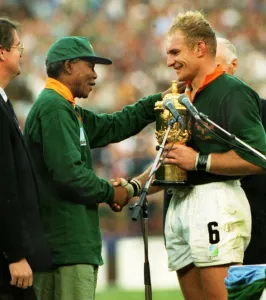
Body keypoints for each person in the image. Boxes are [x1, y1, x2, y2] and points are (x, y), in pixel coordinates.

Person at [114, 11, 266, 299]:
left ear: (200, 48)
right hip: (180, 201)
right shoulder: (178, 96)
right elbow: (173, 158)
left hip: (217, 201)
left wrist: (198, 160)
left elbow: (258, 158)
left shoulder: (233, 92)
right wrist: (135, 186)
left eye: (175, 52)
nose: (169, 61)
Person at [23, 36, 179, 300]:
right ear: (70, 66)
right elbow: (69, 174)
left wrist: (158, 101)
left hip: (69, 245)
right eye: (90, 66)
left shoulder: (67, 109)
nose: (95, 75)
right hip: (65, 247)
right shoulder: (53, 108)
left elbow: (114, 125)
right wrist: (112, 192)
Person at [215, 37, 266, 264]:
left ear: (233, 65)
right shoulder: (193, 110)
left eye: (217, 64)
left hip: (257, 233)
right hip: (211, 230)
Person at [0, 17, 51, 300]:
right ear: (1, 51)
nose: (22, 52)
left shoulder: (3, 101)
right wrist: (15, 254)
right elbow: (4, 184)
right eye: (18, 46)